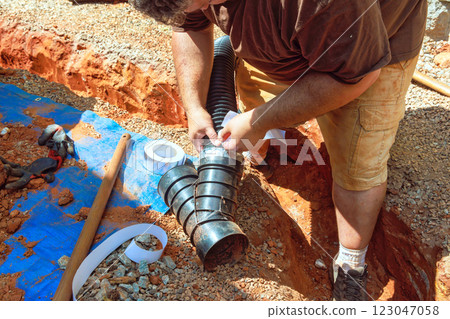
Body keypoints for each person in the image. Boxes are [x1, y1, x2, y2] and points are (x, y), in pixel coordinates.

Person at [129, 0, 427, 301]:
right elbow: (189, 25)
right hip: (294, 38)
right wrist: (193, 106)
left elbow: (356, 76)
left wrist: (259, 121)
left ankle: (351, 263)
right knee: (254, 100)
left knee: (357, 166)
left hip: (364, 58)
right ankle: (268, 155)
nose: (202, 10)